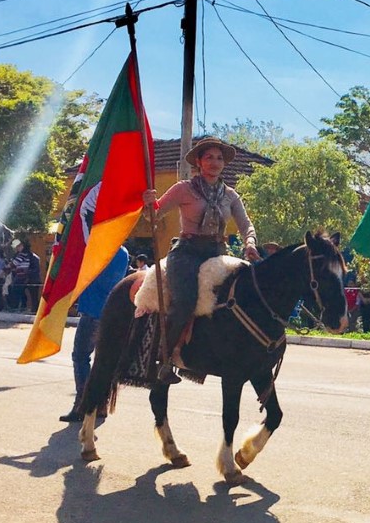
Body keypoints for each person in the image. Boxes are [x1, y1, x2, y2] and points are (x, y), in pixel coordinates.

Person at [142, 137, 259, 383]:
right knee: (186, 301)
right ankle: (163, 360)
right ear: (199, 162)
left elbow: (245, 224)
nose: (215, 162)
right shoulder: (183, 189)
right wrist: (150, 205)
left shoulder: (230, 195)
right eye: (209, 157)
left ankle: (213, 356)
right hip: (187, 252)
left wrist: (250, 243)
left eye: (219, 158)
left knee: (237, 299)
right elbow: (154, 217)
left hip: (217, 252)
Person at [59, 246, 130, 422]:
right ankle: (102, 404)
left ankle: (82, 404)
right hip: (113, 313)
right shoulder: (123, 253)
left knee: (81, 357)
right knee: (105, 361)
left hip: (93, 312)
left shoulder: (96, 249)